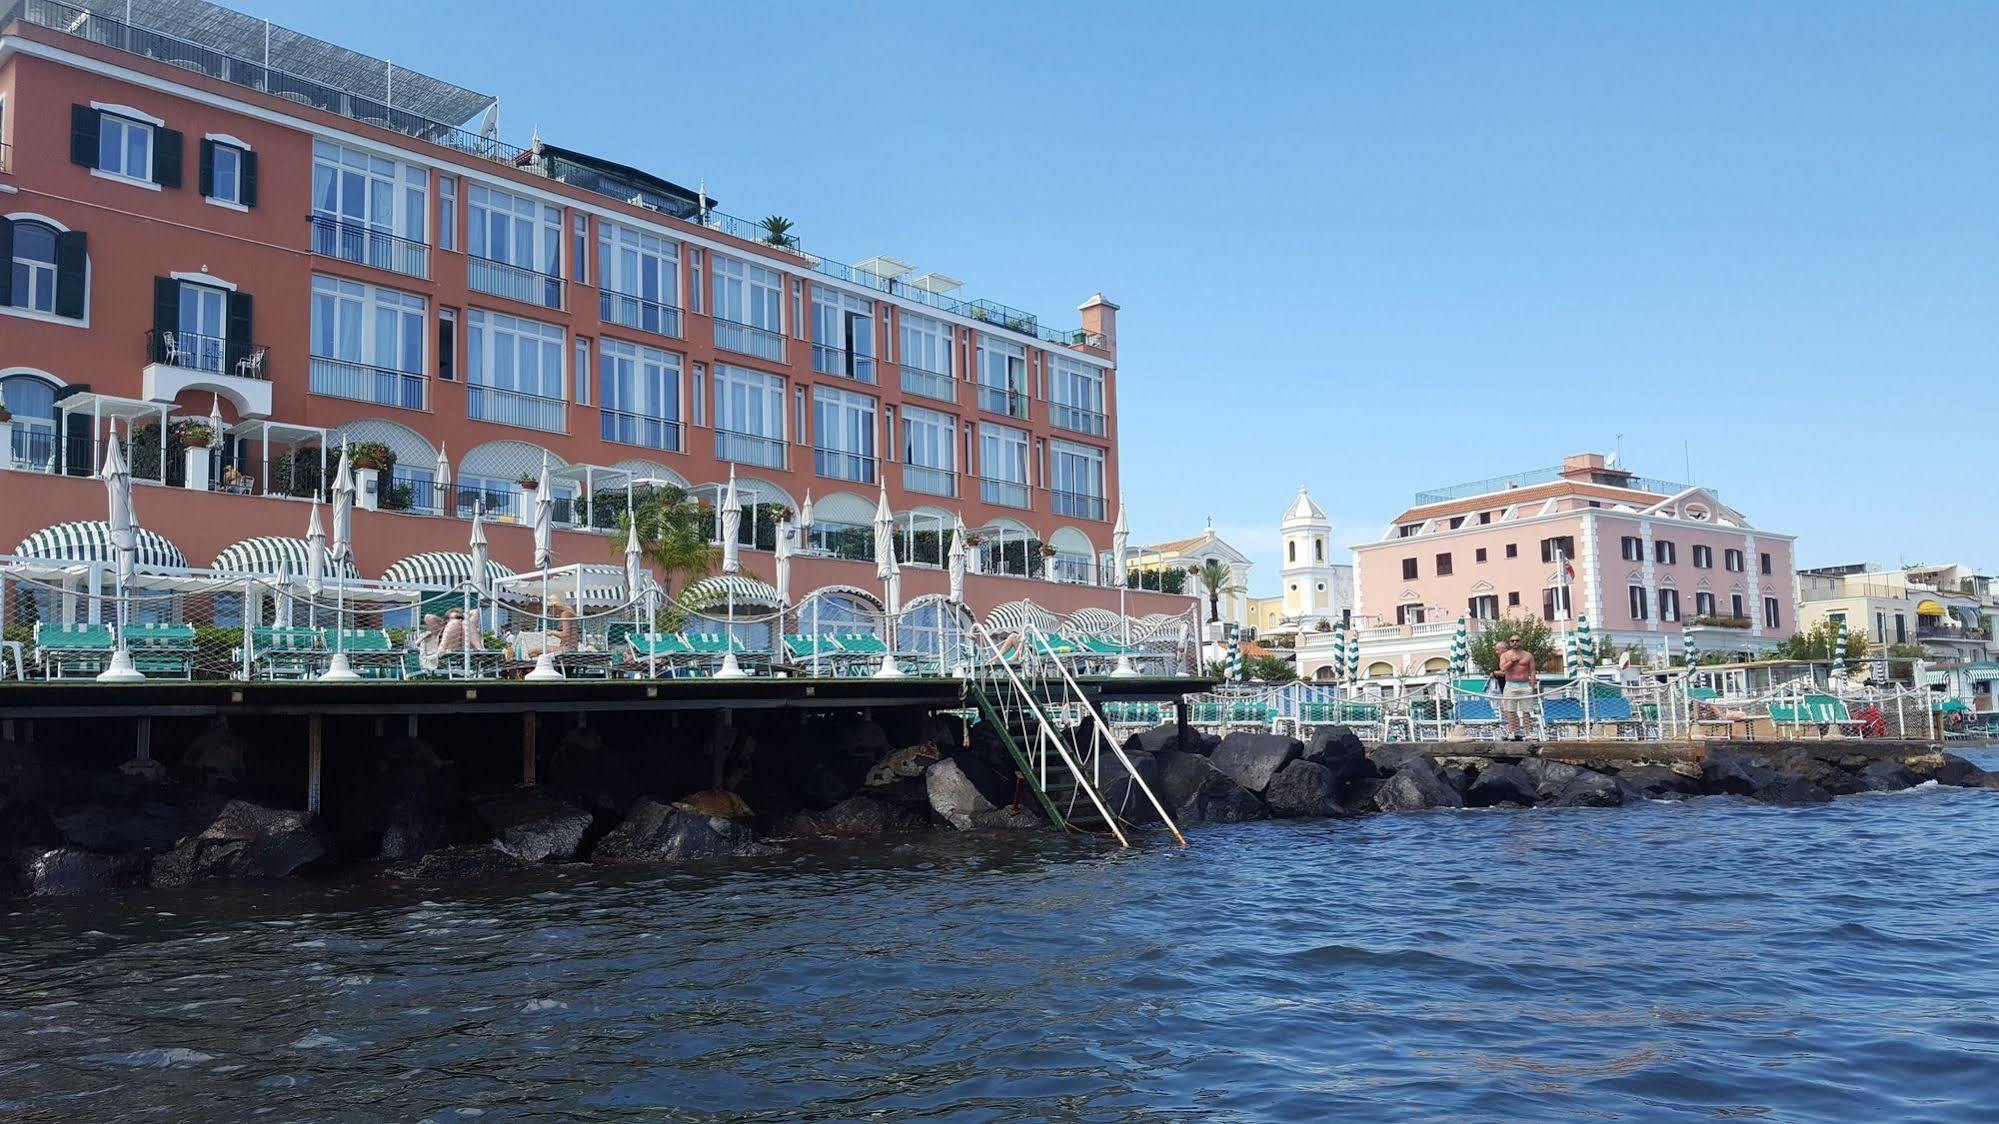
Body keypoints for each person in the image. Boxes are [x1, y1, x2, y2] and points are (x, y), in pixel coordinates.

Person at [1498, 635, 1538, 740]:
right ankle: (1513, 732)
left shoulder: (1528, 655)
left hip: (1525, 685)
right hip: (1511, 685)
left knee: (1527, 711)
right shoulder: (1505, 655)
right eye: (1512, 641)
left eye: (1517, 640)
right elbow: (1502, 669)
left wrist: (1533, 688)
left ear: (1521, 642)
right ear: (1510, 643)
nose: (1515, 642)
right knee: (1510, 711)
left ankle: (1529, 733)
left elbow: (1533, 672)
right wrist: (1511, 662)